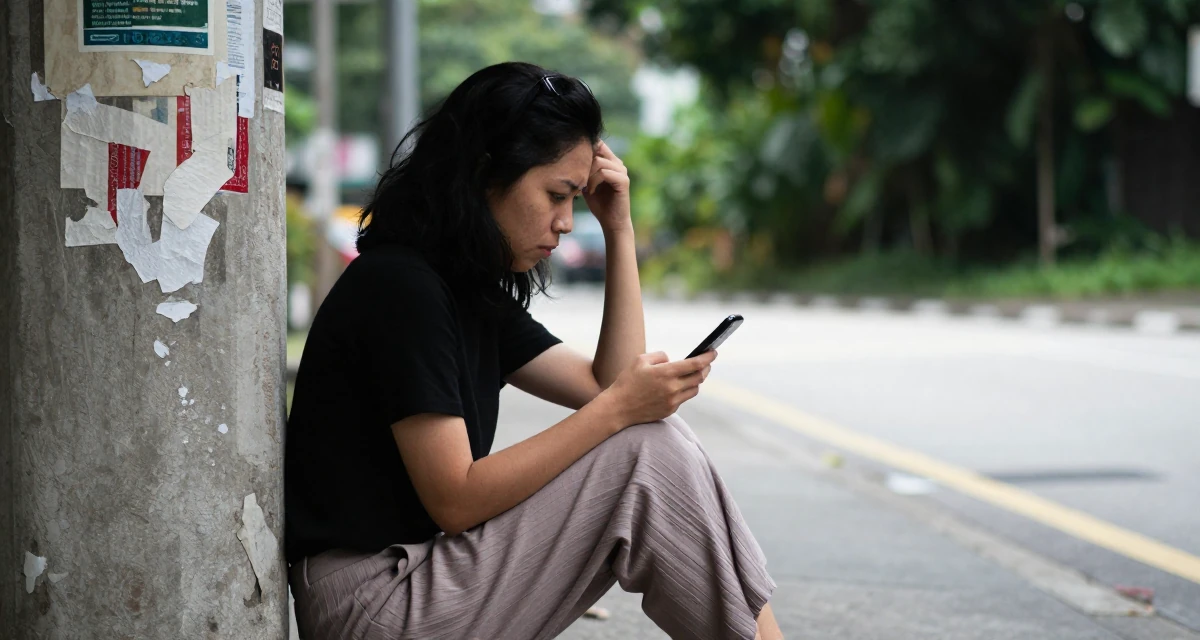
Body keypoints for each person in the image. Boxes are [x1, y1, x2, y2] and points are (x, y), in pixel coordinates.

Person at [285, 61, 781, 640]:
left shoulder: (463, 292)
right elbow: (456, 498)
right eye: (556, 195)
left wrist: (618, 227)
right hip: (374, 605)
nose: (566, 223)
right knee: (650, 451)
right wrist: (620, 407)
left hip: (416, 585)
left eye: (575, 199)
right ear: (484, 173)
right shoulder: (400, 287)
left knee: (654, 440)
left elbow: (606, 384)